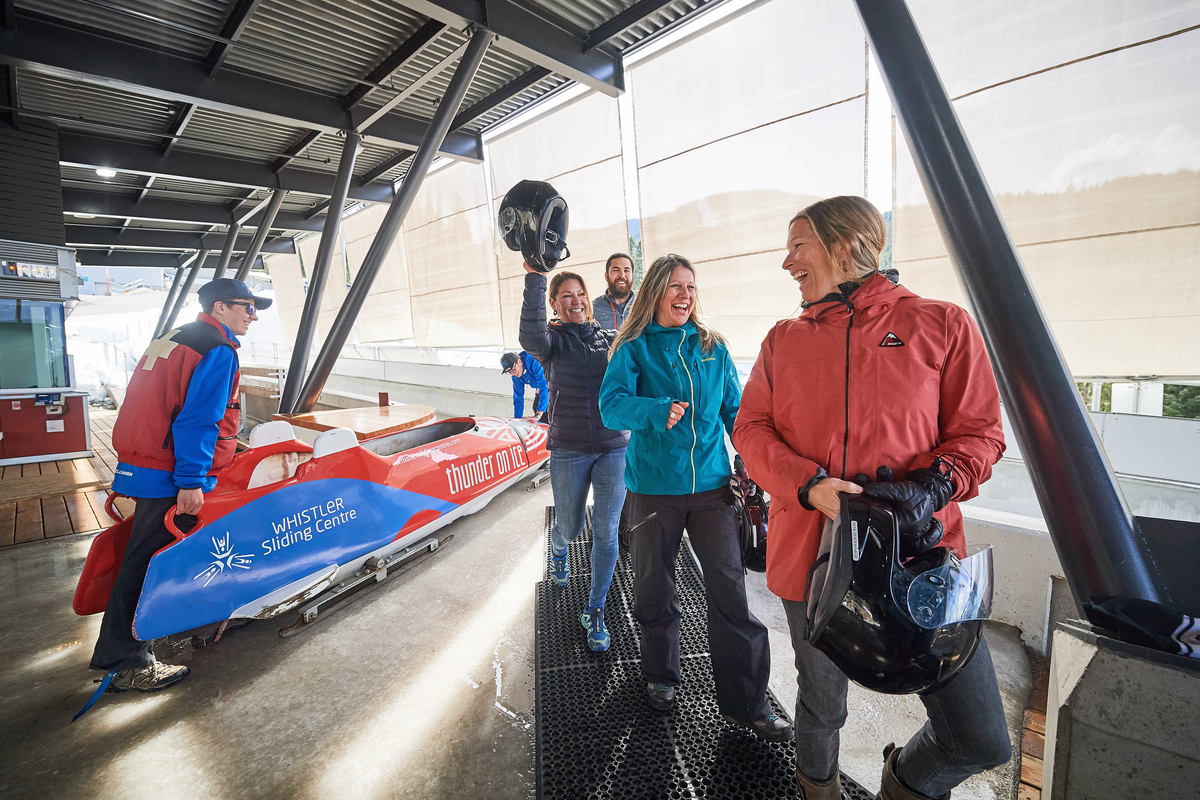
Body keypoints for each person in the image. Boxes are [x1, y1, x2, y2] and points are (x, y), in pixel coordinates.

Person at [732, 196, 1010, 800]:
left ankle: (903, 783)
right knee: (822, 705)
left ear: (844, 245)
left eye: (797, 245)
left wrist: (933, 485)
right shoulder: (782, 340)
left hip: (925, 560)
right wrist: (807, 485)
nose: (787, 263)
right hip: (813, 558)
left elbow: (982, 433)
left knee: (981, 738)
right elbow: (750, 430)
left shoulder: (941, 324)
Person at [599, 254, 790, 742]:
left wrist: (754, 464)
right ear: (655, 292)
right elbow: (611, 405)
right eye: (674, 286)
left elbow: (738, 414)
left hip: (711, 489)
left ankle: (748, 702)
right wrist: (655, 409)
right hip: (652, 489)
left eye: (690, 286)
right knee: (654, 586)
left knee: (729, 589)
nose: (685, 294)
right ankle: (661, 675)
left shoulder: (712, 347)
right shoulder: (634, 348)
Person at [89, 277, 270, 693]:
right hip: (171, 472)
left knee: (144, 558)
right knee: (151, 564)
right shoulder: (217, 349)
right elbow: (198, 419)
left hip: (144, 462)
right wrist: (190, 480)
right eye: (246, 306)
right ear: (220, 308)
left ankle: (153, 636)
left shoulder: (172, 338)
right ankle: (125, 660)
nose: (253, 315)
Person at [519, 264, 629, 653]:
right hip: (569, 449)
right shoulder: (551, 343)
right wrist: (535, 274)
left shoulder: (611, 340)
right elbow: (529, 334)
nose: (577, 301)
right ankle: (560, 548)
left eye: (580, 294)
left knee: (607, 530)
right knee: (570, 526)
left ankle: (595, 608)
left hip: (615, 446)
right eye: (566, 296)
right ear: (554, 304)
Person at [591, 252, 636, 330]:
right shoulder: (593, 309)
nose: (622, 275)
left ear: (632, 275)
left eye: (626, 270)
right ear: (606, 276)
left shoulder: (644, 306)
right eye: (616, 270)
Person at [501, 350, 548, 422]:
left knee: (548, 411)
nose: (513, 374)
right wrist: (517, 420)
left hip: (554, 382)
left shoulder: (533, 362)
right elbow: (518, 397)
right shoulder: (515, 376)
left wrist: (538, 415)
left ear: (519, 361)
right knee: (535, 407)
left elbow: (545, 386)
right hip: (540, 385)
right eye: (509, 372)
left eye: (513, 370)